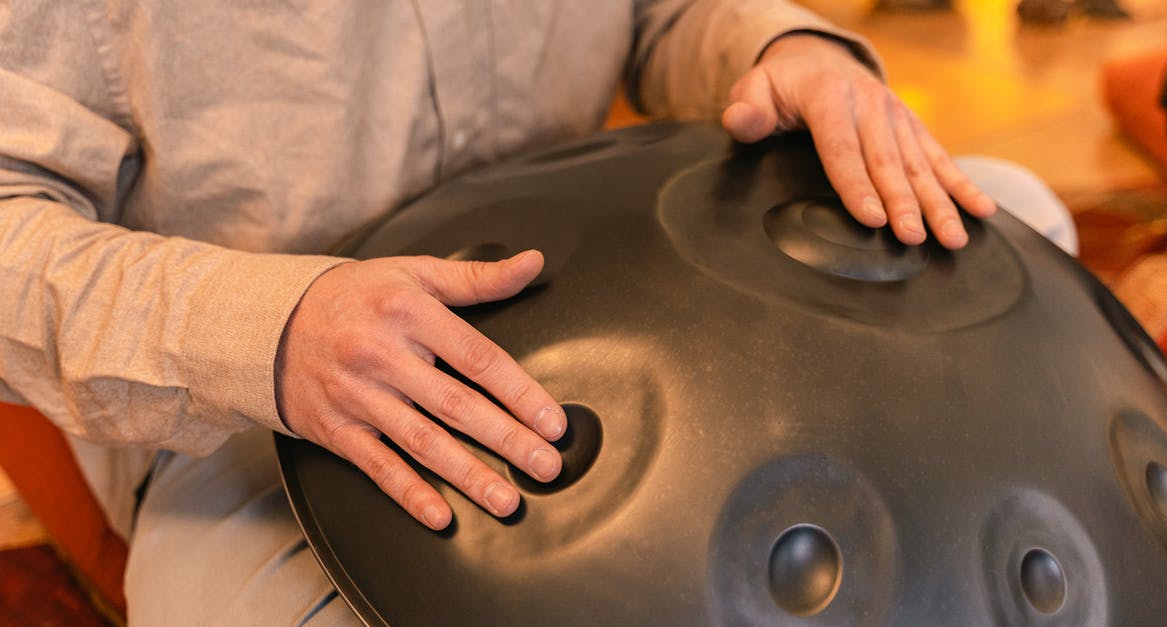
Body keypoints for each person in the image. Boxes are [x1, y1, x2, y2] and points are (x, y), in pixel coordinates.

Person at [0, 1, 1068, 622]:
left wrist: (788, 52)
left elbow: (664, 11)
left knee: (1010, 223)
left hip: (599, 278)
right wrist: (274, 332)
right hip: (266, 404)